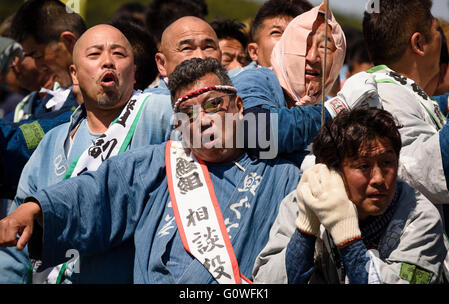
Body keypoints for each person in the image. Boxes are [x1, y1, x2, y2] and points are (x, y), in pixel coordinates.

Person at [0, 57, 302, 284]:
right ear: (178, 125)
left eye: (214, 105)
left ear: (238, 106)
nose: (203, 121)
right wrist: (37, 209)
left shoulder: (285, 175)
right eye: (188, 114)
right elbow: (96, 192)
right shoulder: (158, 163)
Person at [0, 24, 173, 284]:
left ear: (134, 71)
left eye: (119, 54)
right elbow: (17, 239)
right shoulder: (53, 143)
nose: (108, 62)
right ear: (75, 74)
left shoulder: (160, 113)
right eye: (94, 55)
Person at [253, 107, 448, 284]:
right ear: (335, 171)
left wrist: (348, 239)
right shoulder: (303, 201)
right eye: (363, 166)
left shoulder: (421, 217)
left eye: (387, 162)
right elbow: (264, 282)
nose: (379, 178)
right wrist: (306, 230)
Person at [232, 2, 376, 166]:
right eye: (303, 45)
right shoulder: (253, 79)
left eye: (325, 47)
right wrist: (337, 107)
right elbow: (258, 132)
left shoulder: (326, 105)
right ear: (285, 48)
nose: (313, 57)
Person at [344, 0, 449, 205]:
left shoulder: (394, 88)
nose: (442, 39)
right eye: (437, 29)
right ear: (419, 43)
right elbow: (422, 173)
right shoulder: (382, 95)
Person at [0, 0, 84, 202]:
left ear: (67, 42)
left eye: (37, 55)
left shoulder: (103, 105)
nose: (38, 66)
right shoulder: (43, 104)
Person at [149, 16, 221, 95]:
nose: (201, 57)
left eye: (208, 47)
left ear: (220, 56)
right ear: (162, 64)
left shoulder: (233, 99)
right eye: (187, 48)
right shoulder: (150, 105)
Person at [246, 0, 312, 69]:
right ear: (254, 52)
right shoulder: (241, 79)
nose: (288, 40)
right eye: (277, 33)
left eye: (298, 34)